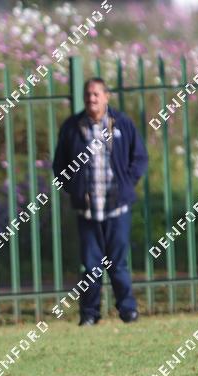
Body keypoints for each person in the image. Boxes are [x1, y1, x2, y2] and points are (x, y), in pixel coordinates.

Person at [52, 78, 148, 326]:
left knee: (118, 265)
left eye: (96, 94)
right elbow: (59, 165)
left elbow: (139, 157)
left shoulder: (122, 123)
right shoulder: (72, 127)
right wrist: (73, 189)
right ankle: (89, 314)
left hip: (117, 208)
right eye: (88, 94)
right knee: (90, 266)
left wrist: (127, 183)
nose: (91, 98)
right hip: (87, 211)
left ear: (106, 97)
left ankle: (128, 311)